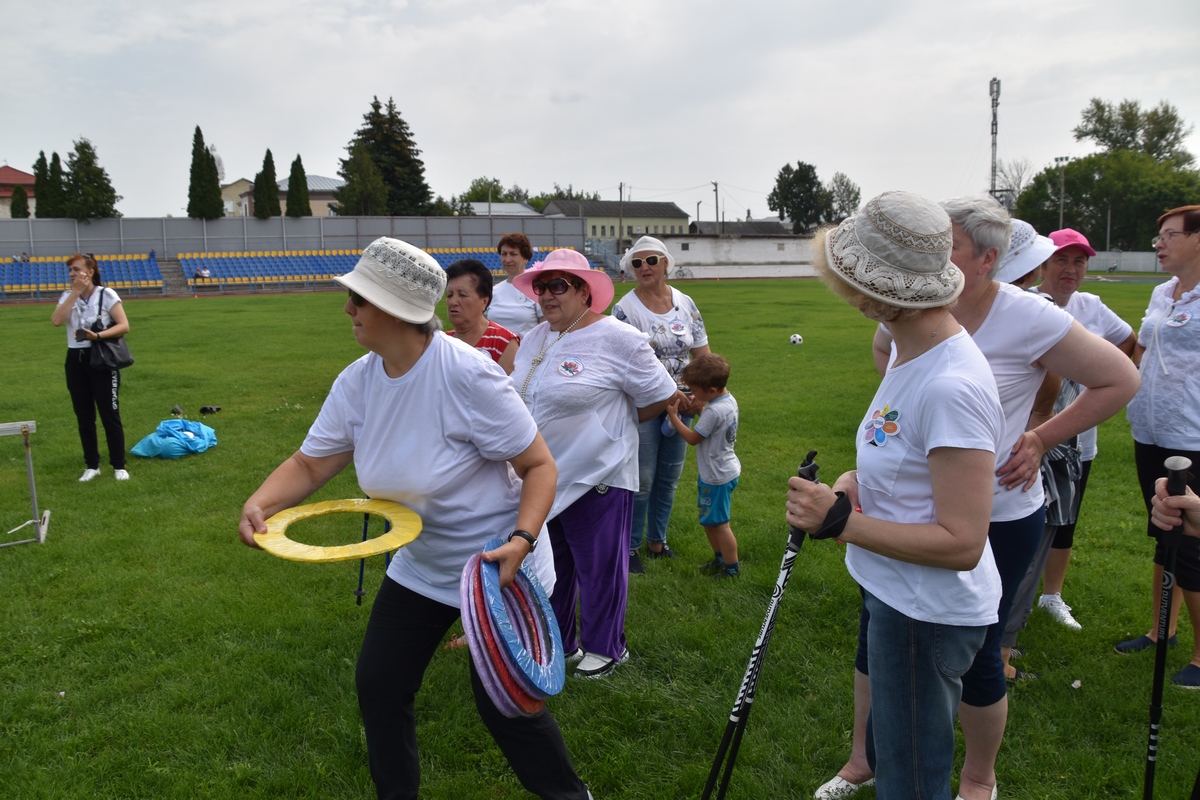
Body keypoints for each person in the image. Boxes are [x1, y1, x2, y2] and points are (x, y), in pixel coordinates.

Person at [236, 237, 593, 800]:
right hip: (424, 565)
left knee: (505, 707)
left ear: (399, 311)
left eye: (359, 299)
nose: (347, 309)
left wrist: (523, 540)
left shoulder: (467, 376)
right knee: (379, 685)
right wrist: (262, 502)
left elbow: (539, 465)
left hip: (497, 566)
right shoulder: (358, 380)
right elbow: (310, 463)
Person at [823, 196, 1140, 800]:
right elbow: (899, 410)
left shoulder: (997, 338)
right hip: (909, 538)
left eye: (949, 245)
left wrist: (1042, 436)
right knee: (888, 654)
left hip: (983, 519)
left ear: (987, 259)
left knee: (973, 656)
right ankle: (866, 758)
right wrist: (873, 473)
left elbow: (1120, 377)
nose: (933, 254)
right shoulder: (909, 333)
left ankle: (977, 778)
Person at [789, 191, 1004, 799]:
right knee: (905, 758)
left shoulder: (950, 384)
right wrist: (861, 485)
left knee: (912, 780)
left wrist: (838, 522)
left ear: (868, 294)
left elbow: (963, 542)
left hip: (926, 610)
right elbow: (910, 462)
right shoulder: (911, 353)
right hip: (899, 591)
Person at [512, 248, 679, 678]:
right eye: (541, 286)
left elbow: (661, 394)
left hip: (598, 474)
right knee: (554, 567)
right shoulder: (535, 337)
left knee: (599, 566)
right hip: (543, 477)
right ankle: (561, 642)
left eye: (558, 285)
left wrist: (611, 430)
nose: (547, 295)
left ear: (585, 292)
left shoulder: (618, 338)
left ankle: (607, 647)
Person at [1031, 229, 1137, 630]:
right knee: (1020, 519)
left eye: (1079, 262)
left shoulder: (1090, 307)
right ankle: (1009, 598)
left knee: (1064, 521)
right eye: (1062, 260)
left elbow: (1129, 342)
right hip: (1026, 436)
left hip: (1077, 441)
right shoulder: (1024, 303)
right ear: (1043, 263)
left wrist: (1095, 387)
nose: (1071, 270)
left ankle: (1051, 596)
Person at [1116, 204, 1200, 688]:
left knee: (1193, 538)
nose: (1160, 243)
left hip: (1192, 436)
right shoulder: (1162, 291)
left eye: (1170, 235)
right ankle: (1161, 629)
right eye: (1160, 235)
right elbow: (1143, 350)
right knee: (1163, 532)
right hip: (1150, 431)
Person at [612, 235, 710, 573]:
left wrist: (703, 394)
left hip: (684, 404)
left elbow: (701, 353)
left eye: (651, 260)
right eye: (637, 263)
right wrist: (668, 395)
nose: (644, 268)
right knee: (642, 479)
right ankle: (631, 547)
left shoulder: (685, 302)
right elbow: (627, 364)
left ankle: (657, 541)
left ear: (666, 263)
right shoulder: (625, 309)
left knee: (669, 476)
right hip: (645, 405)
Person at [50, 252, 131, 482]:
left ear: (90, 272)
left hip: (101, 358)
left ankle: (118, 465)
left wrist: (97, 335)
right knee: (84, 415)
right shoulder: (68, 295)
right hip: (75, 359)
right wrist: (74, 293)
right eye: (70, 270)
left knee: (109, 413)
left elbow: (124, 325)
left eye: (76, 269)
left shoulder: (106, 294)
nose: (72, 274)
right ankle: (92, 465)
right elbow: (56, 321)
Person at [665, 353, 741, 579]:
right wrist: (700, 409)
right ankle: (720, 560)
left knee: (720, 524)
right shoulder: (727, 401)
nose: (692, 395)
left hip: (716, 477)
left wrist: (673, 416)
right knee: (709, 521)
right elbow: (714, 424)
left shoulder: (713, 410)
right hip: (723, 470)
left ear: (713, 391)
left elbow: (692, 438)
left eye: (695, 391)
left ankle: (731, 568)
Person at [444, 258, 520, 374]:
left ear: (484, 301)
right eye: (449, 295)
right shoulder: (442, 342)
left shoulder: (504, 342)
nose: (453, 302)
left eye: (462, 295)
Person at [488, 232, 543, 336]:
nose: (507, 259)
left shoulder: (537, 291)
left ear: (525, 258)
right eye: (504, 254)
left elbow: (546, 332)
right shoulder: (493, 291)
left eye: (513, 254)